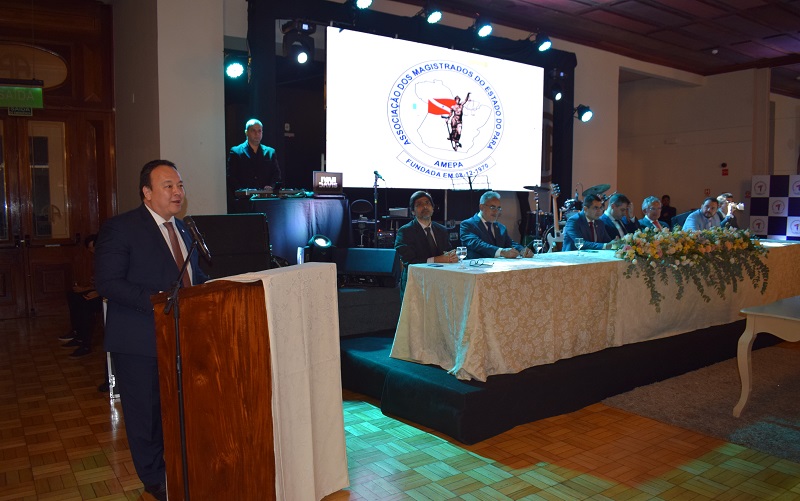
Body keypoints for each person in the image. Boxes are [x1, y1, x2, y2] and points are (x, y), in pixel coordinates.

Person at [95, 159, 208, 501]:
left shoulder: (185, 229)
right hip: (139, 338)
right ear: (147, 192)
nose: (178, 192)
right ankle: (153, 479)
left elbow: (190, 278)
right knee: (145, 413)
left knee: (175, 409)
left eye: (180, 185)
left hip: (180, 336)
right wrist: (158, 302)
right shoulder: (122, 228)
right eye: (168, 186)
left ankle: (178, 464)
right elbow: (107, 282)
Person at [395, 191, 457, 296]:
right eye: (419, 204)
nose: (424, 207)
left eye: (427, 203)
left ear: (433, 208)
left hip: (439, 284)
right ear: (413, 211)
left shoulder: (441, 230)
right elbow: (409, 261)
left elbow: (446, 251)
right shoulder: (405, 231)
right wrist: (437, 260)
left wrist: (452, 256)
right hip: (415, 285)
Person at [59, 234, 102, 358]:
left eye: (93, 248)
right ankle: (77, 333)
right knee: (73, 296)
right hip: (100, 290)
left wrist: (97, 292)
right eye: (89, 248)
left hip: (108, 295)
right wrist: (86, 288)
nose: (92, 251)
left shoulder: (109, 258)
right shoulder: (97, 259)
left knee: (85, 303)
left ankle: (85, 344)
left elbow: (113, 284)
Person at [460, 191, 533, 260]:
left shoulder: (501, 227)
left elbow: (510, 243)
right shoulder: (467, 224)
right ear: (481, 207)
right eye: (492, 207)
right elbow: (477, 244)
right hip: (475, 268)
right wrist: (502, 252)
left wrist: (522, 250)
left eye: (499, 208)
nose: (496, 211)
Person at [226, 118, 282, 193]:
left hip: (265, 198)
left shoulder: (270, 152)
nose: (257, 134)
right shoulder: (236, 152)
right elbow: (231, 176)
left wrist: (271, 187)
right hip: (244, 200)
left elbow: (276, 174)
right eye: (253, 130)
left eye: (259, 131)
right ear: (246, 132)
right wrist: (242, 192)